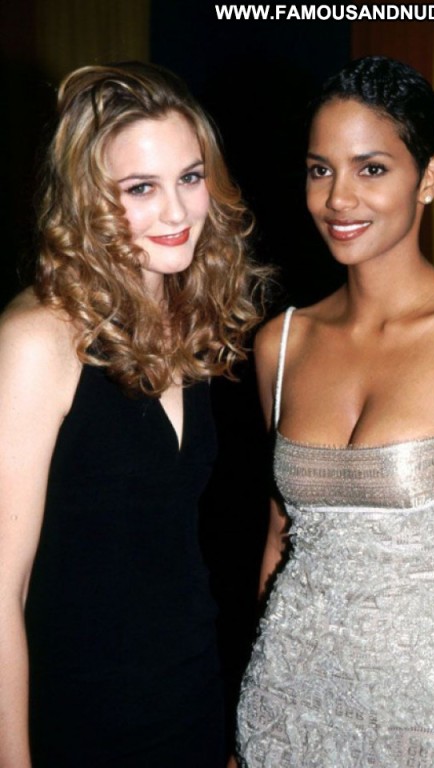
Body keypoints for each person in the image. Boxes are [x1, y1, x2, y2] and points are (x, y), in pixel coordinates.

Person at [236, 56, 434, 767]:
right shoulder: (280, 343)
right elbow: (278, 542)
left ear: (430, 178)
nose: (339, 198)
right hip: (284, 705)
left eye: (372, 169)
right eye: (320, 170)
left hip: (432, 717)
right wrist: (245, 731)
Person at [0, 61, 267, 768]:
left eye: (190, 177)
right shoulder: (38, 339)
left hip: (189, 704)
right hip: (77, 724)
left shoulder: (188, 320)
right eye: (140, 188)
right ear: (88, 201)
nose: (177, 213)